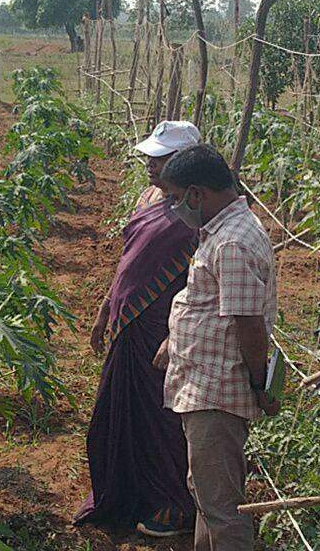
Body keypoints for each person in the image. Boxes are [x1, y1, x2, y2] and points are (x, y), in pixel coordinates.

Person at [75, 120, 201, 538]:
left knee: (161, 419)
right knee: (119, 412)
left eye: (160, 158)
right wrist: (105, 308)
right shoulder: (149, 198)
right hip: (130, 325)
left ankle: (171, 503)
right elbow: (128, 264)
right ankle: (123, 491)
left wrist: (175, 334)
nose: (149, 163)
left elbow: (201, 283)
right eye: (149, 156)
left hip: (164, 329)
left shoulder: (197, 216)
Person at [153, 144, 279, 551]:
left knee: (222, 509)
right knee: (207, 496)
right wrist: (176, 339)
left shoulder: (232, 244)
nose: (174, 208)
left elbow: (248, 325)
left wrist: (261, 387)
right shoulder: (224, 232)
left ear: (197, 193)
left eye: (175, 198)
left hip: (218, 392)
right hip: (205, 385)